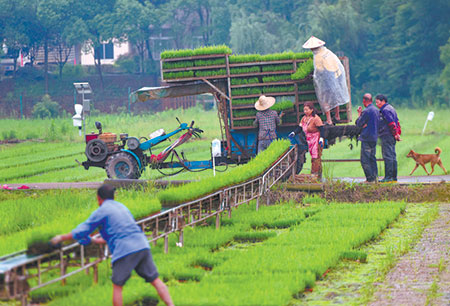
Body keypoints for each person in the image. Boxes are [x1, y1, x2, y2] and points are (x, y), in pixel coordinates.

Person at [51, 184, 174, 306]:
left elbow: (81, 230)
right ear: (113, 196)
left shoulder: (102, 211)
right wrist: (94, 241)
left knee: (117, 286)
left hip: (125, 250)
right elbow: (116, 235)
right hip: (142, 245)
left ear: (98, 198)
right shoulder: (122, 207)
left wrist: (60, 238)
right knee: (155, 280)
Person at [302, 36, 350, 125]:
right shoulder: (327, 52)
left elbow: (319, 71)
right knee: (335, 97)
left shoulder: (318, 56)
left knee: (325, 99)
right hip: (335, 78)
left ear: (313, 48)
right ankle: (337, 116)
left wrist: (314, 76)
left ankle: (329, 120)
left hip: (326, 83)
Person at [289, 102, 323, 177]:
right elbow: (300, 128)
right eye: (304, 110)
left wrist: (321, 139)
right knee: (312, 156)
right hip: (309, 139)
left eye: (307, 110)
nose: (305, 111)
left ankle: (315, 174)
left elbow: (322, 129)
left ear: (311, 110)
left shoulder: (316, 118)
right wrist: (294, 133)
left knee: (316, 157)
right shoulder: (304, 118)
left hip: (316, 138)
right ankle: (316, 174)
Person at [376, 94, 401, 183]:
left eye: (378, 102)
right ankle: (394, 177)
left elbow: (391, 123)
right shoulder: (391, 108)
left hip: (387, 135)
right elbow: (397, 122)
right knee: (393, 156)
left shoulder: (385, 110)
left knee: (387, 156)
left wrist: (395, 133)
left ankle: (388, 177)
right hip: (392, 136)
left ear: (383, 101)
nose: (377, 104)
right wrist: (397, 134)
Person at [355, 93, 379, 183]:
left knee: (365, 159)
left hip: (367, 137)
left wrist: (359, 114)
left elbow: (359, 123)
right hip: (374, 137)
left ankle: (369, 179)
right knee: (372, 158)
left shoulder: (366, 111)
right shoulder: (376, 110)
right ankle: (375, 177)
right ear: (372, 101)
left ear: (364, 101)